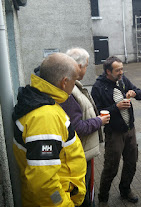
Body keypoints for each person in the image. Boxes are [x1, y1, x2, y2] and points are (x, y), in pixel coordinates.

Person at [12, 53, 87, 206]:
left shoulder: (42, 100)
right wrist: (66, 204)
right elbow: (43, 184)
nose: (74, 87)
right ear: (64, 82)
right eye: (74, 81)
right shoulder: (45, 117)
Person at [91, 56, 141, 205]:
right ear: (108, 71)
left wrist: (134, 93)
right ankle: (103, 198)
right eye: (118, 70)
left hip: (130, 129)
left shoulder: (123, 80)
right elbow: (97, 113)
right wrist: (116, 107)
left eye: (122, 69)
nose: (121, 72)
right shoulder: (99, 87)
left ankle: (125, 190)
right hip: (114, 133)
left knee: (131, 163)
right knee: (111, 167)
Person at [60, 48, 110, 207]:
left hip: (83, 151)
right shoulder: (69, 90)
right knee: (84, 193)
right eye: (87, 65)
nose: (87, 68)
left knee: (87, 189)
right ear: (79, 66)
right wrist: (99, 122)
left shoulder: (73, 86)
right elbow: (76, 127)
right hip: (79, 154)